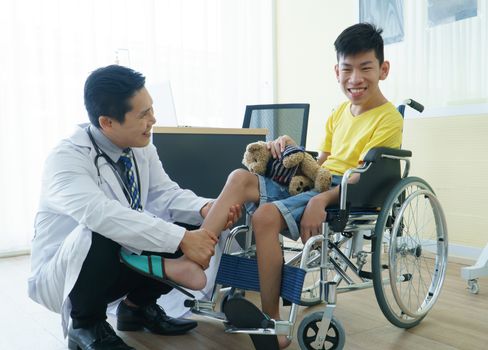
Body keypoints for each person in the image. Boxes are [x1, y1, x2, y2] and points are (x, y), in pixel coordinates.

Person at [197, 23, 404, 349]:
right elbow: (320, 162)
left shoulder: (388, 118)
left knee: (264, 217)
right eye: (347, 69)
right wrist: (290, 147)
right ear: (336, 71)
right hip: (316, 181)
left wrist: (320, 201)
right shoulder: (339, 113)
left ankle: (273, 324)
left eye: (365, 68)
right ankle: (196, 259)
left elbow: (361, 176)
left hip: (346, 190)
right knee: (239, 178)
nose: (355, 79)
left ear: (383, 69)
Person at [28, 65, 240, 350]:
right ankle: (86, 324)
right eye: (143, 115)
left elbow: (164, 194)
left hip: (118, 258)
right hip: (70, 272)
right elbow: (101, 214)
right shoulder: (66, 159)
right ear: (107, 122)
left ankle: (136, 308)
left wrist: (206, 209)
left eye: (151, 109)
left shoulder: (140, 146)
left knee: (191, 226)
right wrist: (182, 240)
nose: (153, 119)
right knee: (102, 230)